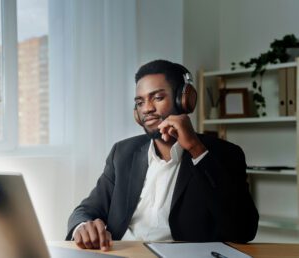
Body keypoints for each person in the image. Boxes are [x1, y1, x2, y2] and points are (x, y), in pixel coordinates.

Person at [66, 60, 259, 251]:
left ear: (183, 100)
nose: (147, 108)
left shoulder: (223, 154)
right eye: (140, 102)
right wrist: (82, 227)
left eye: (157, 98)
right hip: (122, 254)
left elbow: (243, 229)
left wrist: (195, 148)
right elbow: (85, 211)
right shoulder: (122, 153)